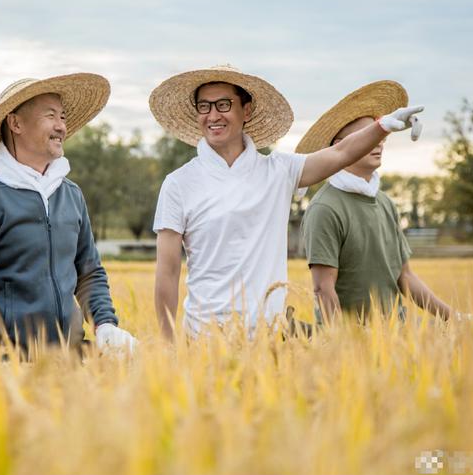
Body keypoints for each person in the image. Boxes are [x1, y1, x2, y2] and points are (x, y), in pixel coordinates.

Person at [150, 66, 423, 341]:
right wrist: (168, 343)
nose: (213, 115)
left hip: (270, 339)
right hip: (204, 339)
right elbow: (168, 271)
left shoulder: (279, 171)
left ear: (246, 110)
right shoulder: (179, 184)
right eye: (204, 106)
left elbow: (341, 153)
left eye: (223, 104)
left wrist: (382, 127)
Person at [0, 74, 137, 359]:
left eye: (62, 116)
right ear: (16, 123)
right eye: (51, 116)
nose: (62, 126)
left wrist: (105, 324)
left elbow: (89, 272)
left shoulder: (70, 194)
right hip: (8, 365)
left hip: (71, 359)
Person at [297, 80, 473, 324]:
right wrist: (338, 346)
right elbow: (323, 289)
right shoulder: (324, 209)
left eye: (380, 135)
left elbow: (405, 277)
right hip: (350, 341)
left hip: (395, 336)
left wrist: (457, 319)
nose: (379, 141)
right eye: (368, 136)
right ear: (342, 146)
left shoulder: (385, 203)